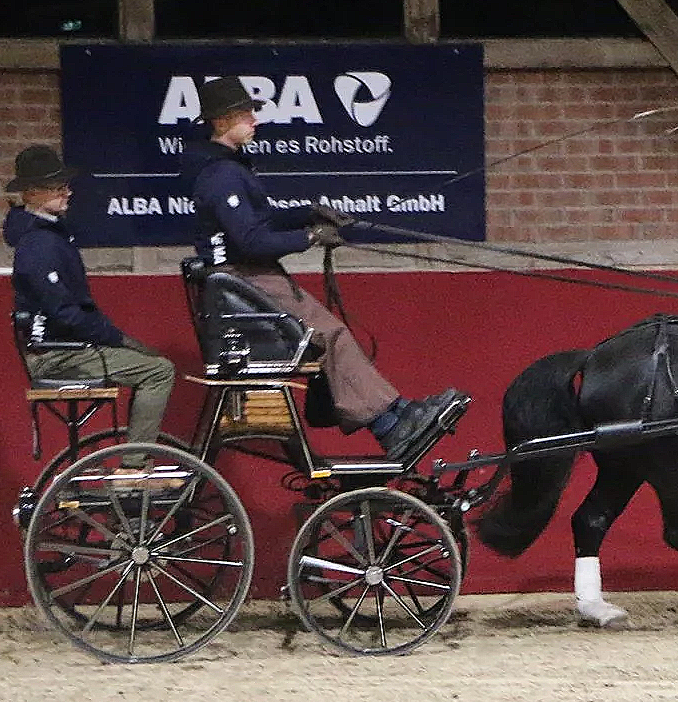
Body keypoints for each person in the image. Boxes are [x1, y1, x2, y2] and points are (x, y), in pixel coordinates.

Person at [179, 76, 465, 461]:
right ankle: (390, 424)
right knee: (328, 333)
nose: (255, 121)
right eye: (247, 115)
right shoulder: (220, 175)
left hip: (253, 274)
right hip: (241, 276)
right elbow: (250, 240)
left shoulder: (231, 168)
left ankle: (396, 415)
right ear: (221, 121)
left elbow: (262, 219)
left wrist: (308, 214)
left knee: (332, 331)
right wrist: (310, 237)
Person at [3, 145, 176, 467]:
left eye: (65, 185)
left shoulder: (48, 234)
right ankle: (135, 463)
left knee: (148, 361)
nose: (68, 192)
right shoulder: (39, 244)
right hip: (56, 354)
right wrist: (117, 338)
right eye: (57, 188)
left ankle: (135, 456)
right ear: (32, 193)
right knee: (158, 371)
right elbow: (64, 311)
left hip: (63, 347)